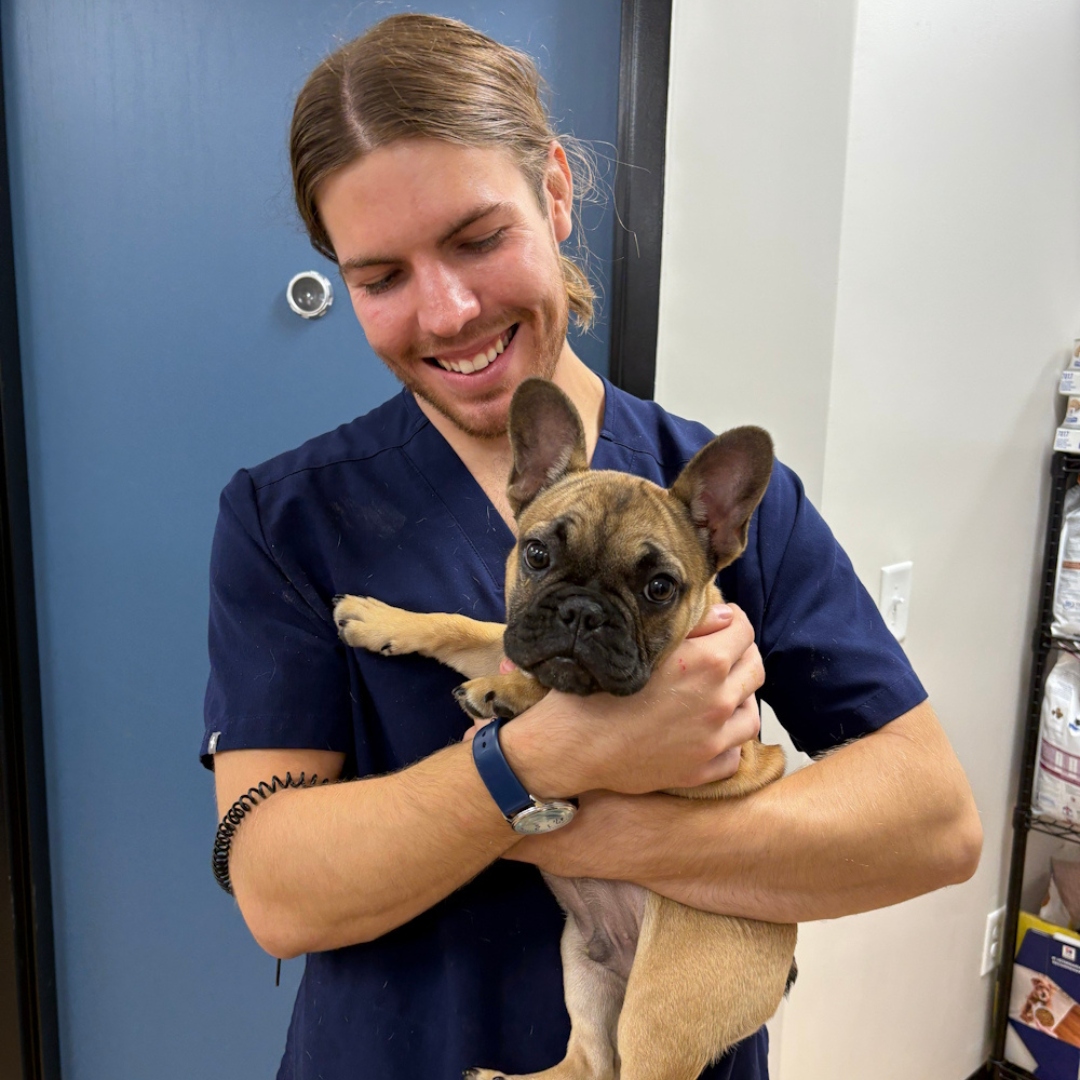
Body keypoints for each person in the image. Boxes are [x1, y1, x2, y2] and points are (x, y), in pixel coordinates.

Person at [202, 13, 981, 1080]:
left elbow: (932, 826)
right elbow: (280, 893)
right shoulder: (283, 514)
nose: (449, 308)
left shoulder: (716, 495)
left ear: (557, 191)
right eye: (380, 277)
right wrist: (551, 761)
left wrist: (617, 831)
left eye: (478, 239)